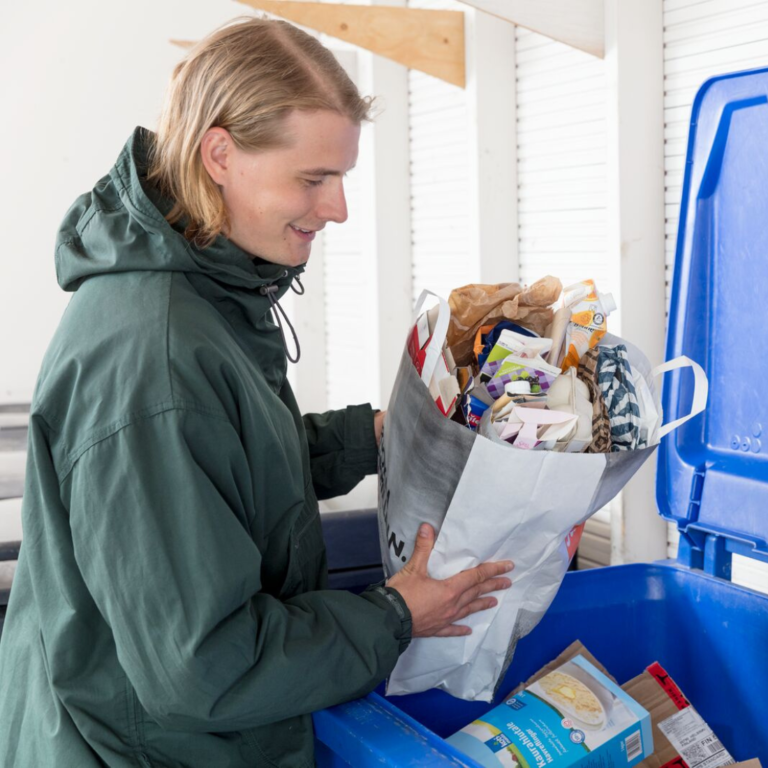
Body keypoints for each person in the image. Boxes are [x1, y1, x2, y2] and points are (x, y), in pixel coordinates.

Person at [0, 17, 513, 767]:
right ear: (220, 154)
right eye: (313, 178)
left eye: (340, 177)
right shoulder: (156, 358)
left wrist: (375, 434)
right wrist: (395, 615)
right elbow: (203, 665)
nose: (337, 208)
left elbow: (225, 468)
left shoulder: (207, 293)